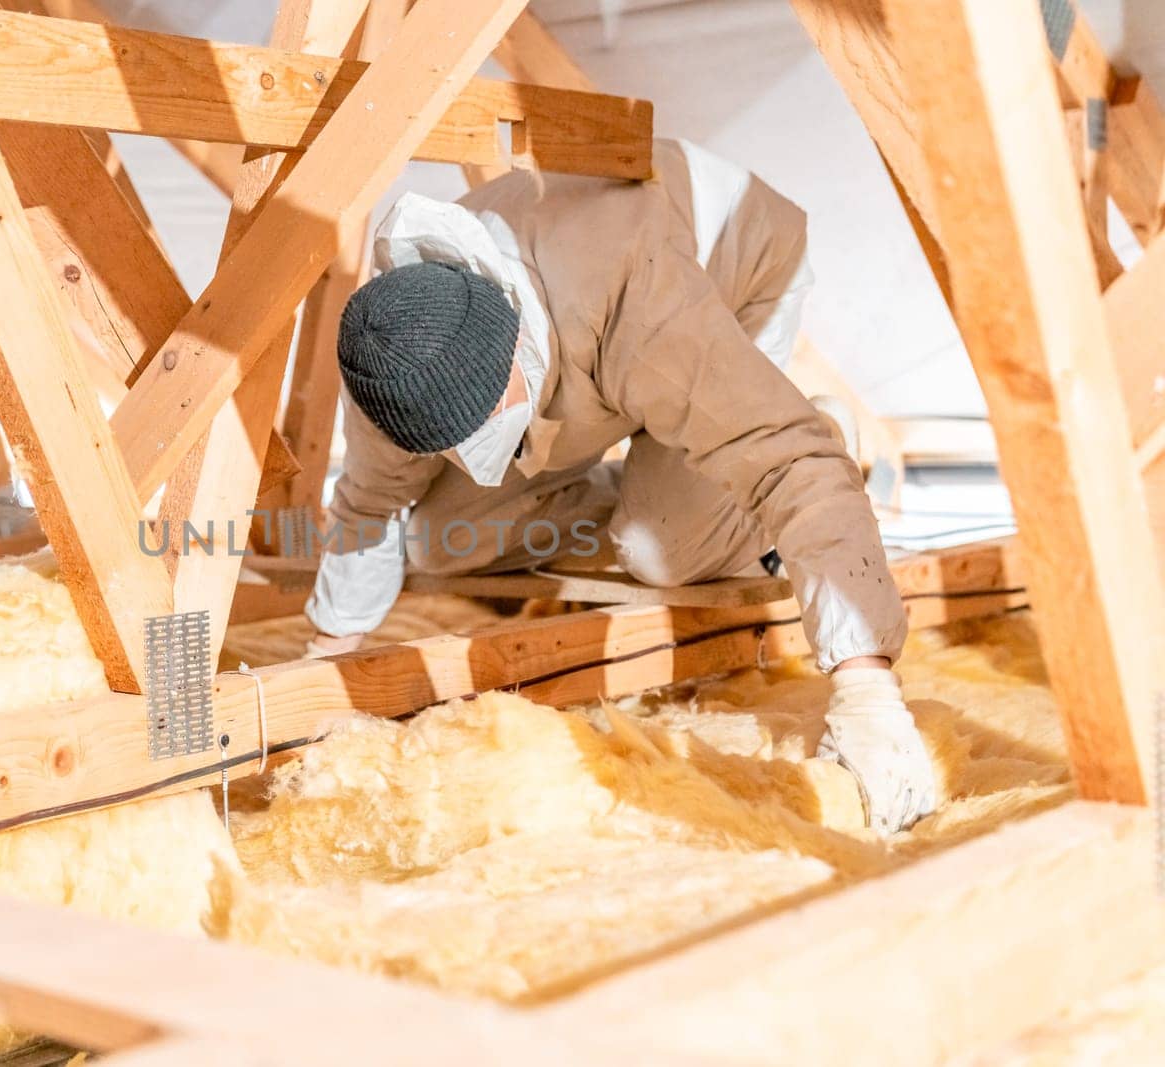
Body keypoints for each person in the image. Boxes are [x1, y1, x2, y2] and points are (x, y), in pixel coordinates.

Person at [303, 138, 936, 834]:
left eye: (488, 420)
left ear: (514, 342)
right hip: (586, 330)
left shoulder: (640, 310)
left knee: (662, 549)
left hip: (726, 267)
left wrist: (867, 687)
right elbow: (370, 504)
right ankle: (661, 490)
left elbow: (785, 458)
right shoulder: (390, 360)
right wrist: (329, 661)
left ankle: (780, 445)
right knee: (435, 540)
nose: (472, 450)